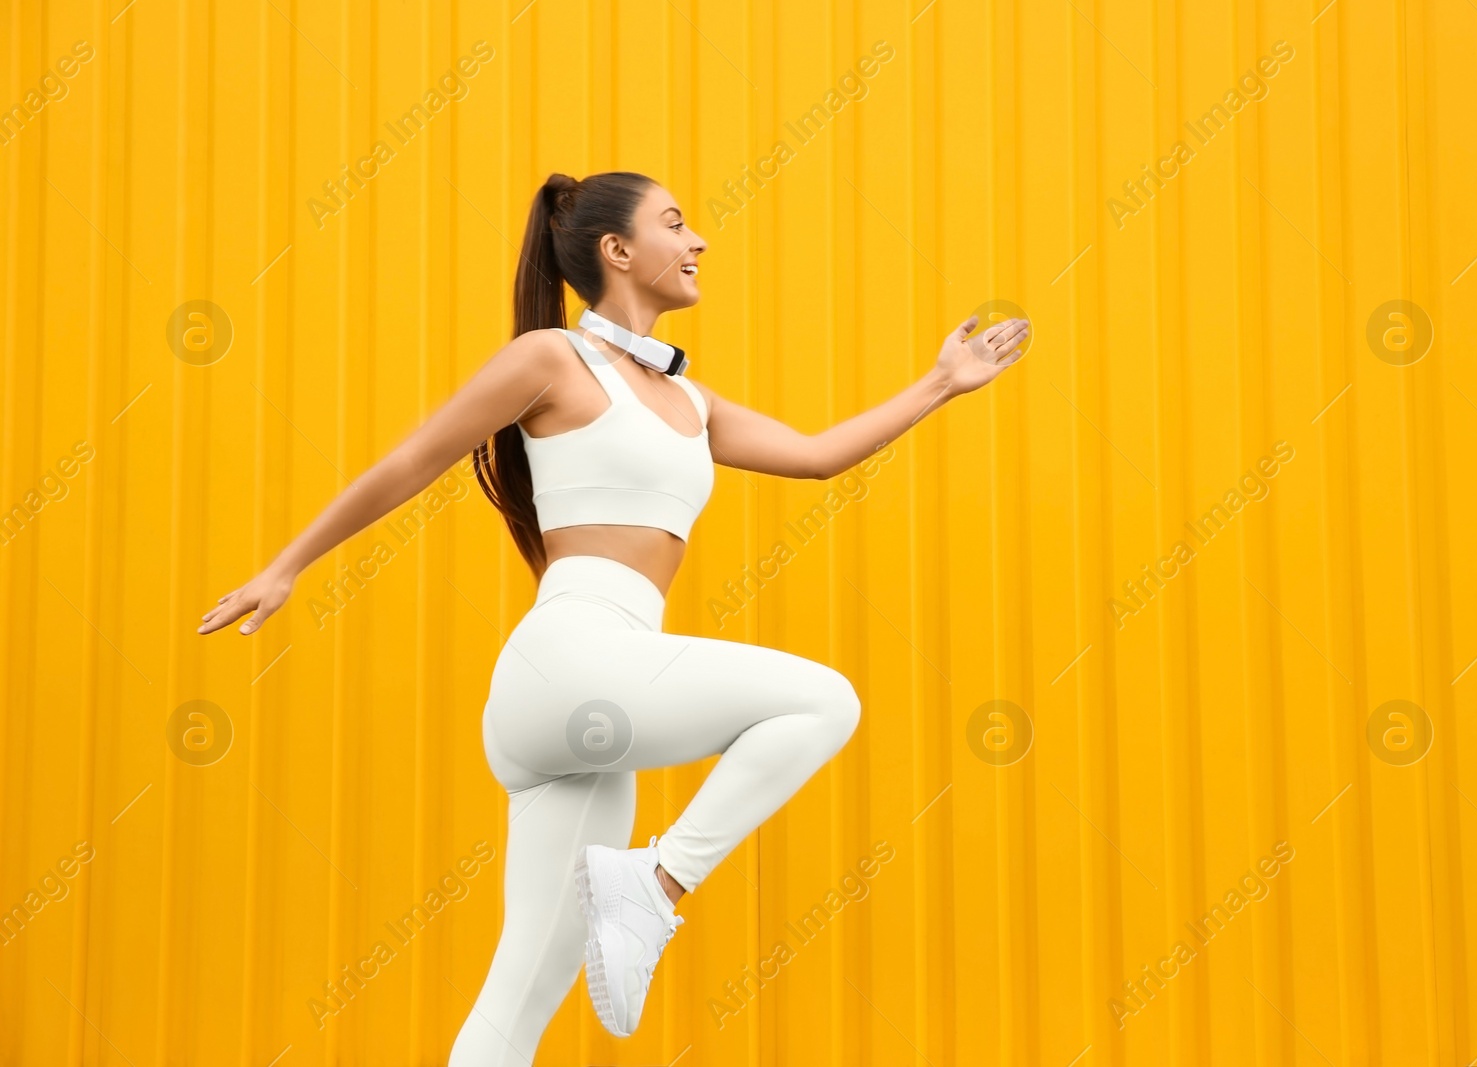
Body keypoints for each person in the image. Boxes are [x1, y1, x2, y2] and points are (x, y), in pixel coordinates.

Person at [197, 170, 1028, 1062]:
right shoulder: (552, 358)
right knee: (821, 700)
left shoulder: (689, 399)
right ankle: (655, 885)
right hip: (569, 659)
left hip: (592, 699)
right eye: (676, 223)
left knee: (519, 1001)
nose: (700, 239)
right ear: (617, 251)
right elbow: (413, 460)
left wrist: (941, 383)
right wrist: (286, 566)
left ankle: (640, 890)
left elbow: (819, 456)